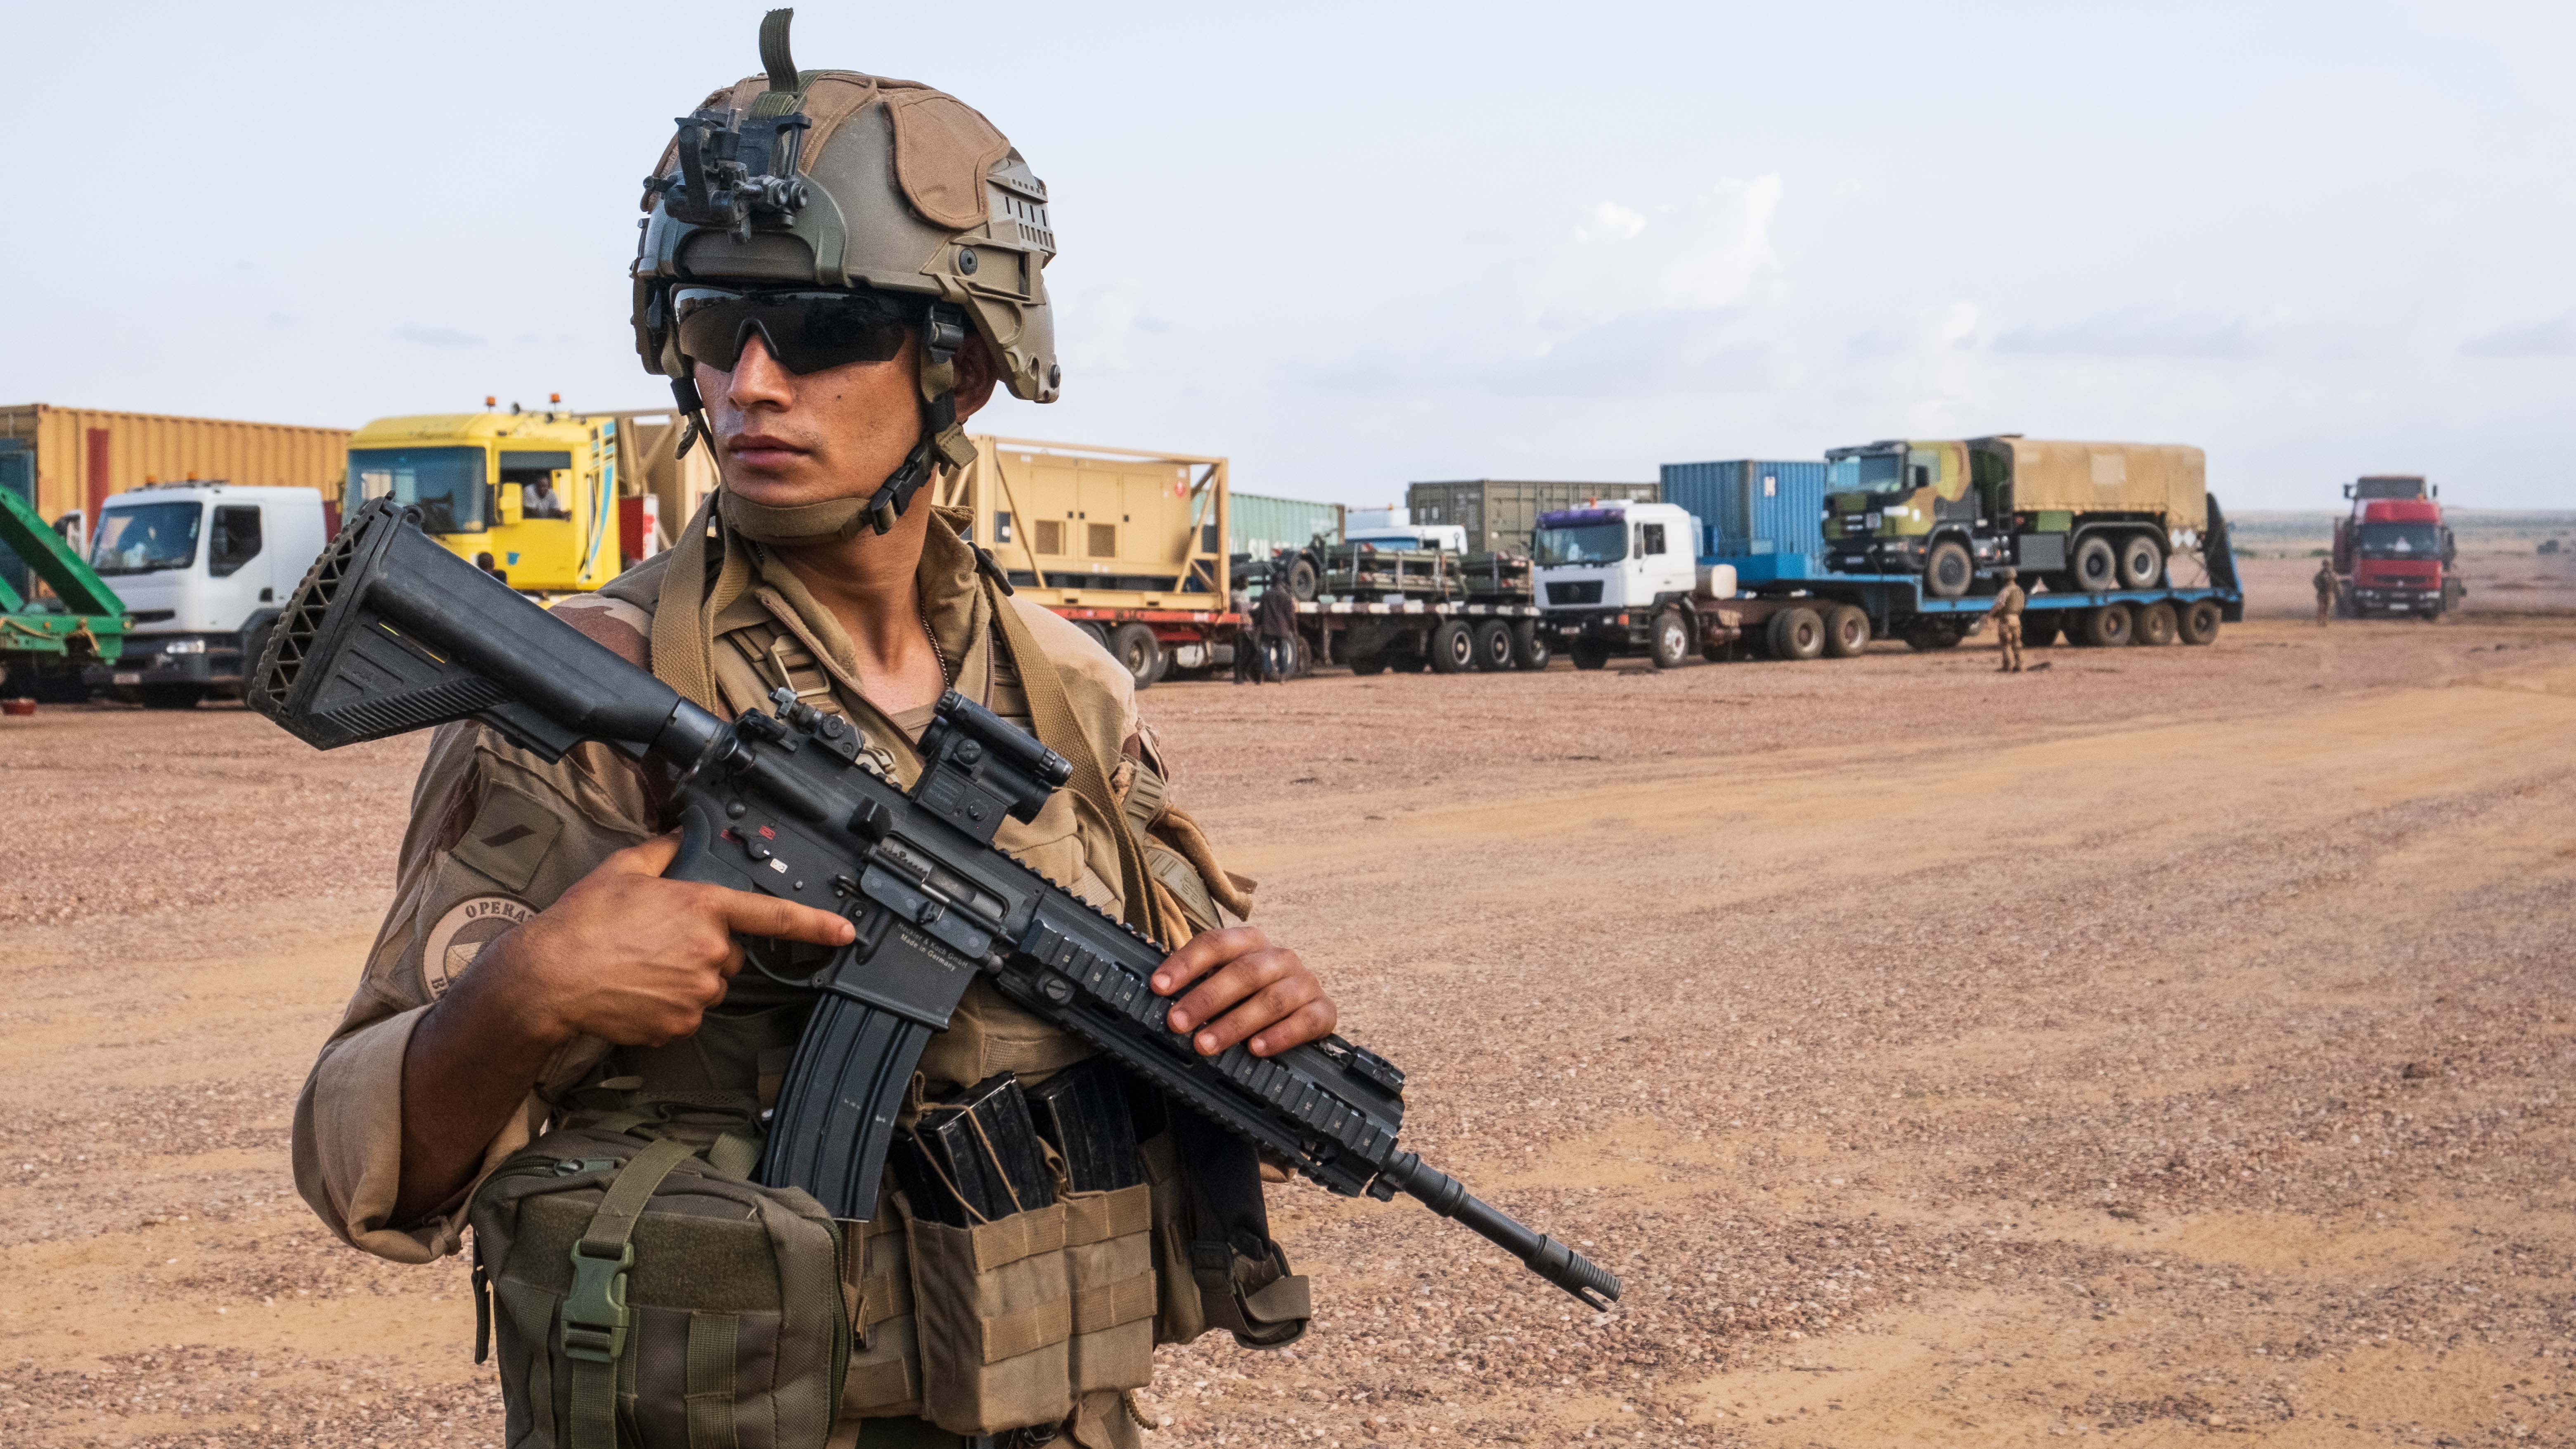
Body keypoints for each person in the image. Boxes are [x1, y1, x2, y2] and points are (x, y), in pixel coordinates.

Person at [291, 24, 1333, 1448]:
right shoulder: (588, 691)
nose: (755, 383)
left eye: (827, 331)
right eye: (719, 324)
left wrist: (1249, 1015)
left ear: (960, 370)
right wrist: (524, 992)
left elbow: (1158, 1013)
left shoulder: (1072, 692)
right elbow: (359, 1160)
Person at [1254, 563, 1300, 681]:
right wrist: (1294, 630)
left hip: (1268, 630)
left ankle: (1263, 678)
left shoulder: (1265, 595)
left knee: (1265, 653)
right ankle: (1282, 678)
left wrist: (1256, 625)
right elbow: (1291, 616)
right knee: (1282, 653)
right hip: (1282, 630)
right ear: (1281, 583)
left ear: (1271, 583)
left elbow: (1260, 613)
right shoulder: (1286, 597)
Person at [1985, 566, 2027, 672]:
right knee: (2017, 643)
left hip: (2006, 620)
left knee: (2006, 643)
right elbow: (2022, 605)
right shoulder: (2020, 591)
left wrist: (1990, 616)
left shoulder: (2005, 591)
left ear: (2004, 578)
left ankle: (2007, 666)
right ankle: (2020, 666)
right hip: (2017, 619)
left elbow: (2000, 605)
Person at [1230, 574, 1258, 684]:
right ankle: (1239, 677)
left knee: (1244, 652)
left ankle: (1242, 674)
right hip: (1239, 627)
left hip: (1245, 627)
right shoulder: (1234, 594)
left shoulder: (1243, 594)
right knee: (1240, 653)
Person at [2314, 560, 2337, 624]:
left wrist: (2334, 590)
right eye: (2325, 565)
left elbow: (2336, 583)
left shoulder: (2332, 575)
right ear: (2323, 566)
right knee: (2321, 608)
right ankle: (2319, 621)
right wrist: (2320, 587)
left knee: (2327, 609)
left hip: (2328, 593)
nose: (2326, 566)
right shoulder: (2320, 574)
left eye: (2327, 565)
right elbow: (2316, 582)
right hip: (2321, 593)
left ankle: (2325, 622)